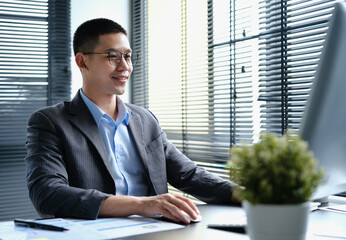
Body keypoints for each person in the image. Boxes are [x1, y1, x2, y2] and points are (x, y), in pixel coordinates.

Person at [25, 18, 238, 224]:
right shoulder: (50, 121)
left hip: (155, 231)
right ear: (83, 61)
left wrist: (252, 195)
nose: (124, 66)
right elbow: (48, 193)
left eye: (127, 56)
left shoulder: (145, 120)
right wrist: (142, 204)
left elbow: (189, 175)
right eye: (113, 57)